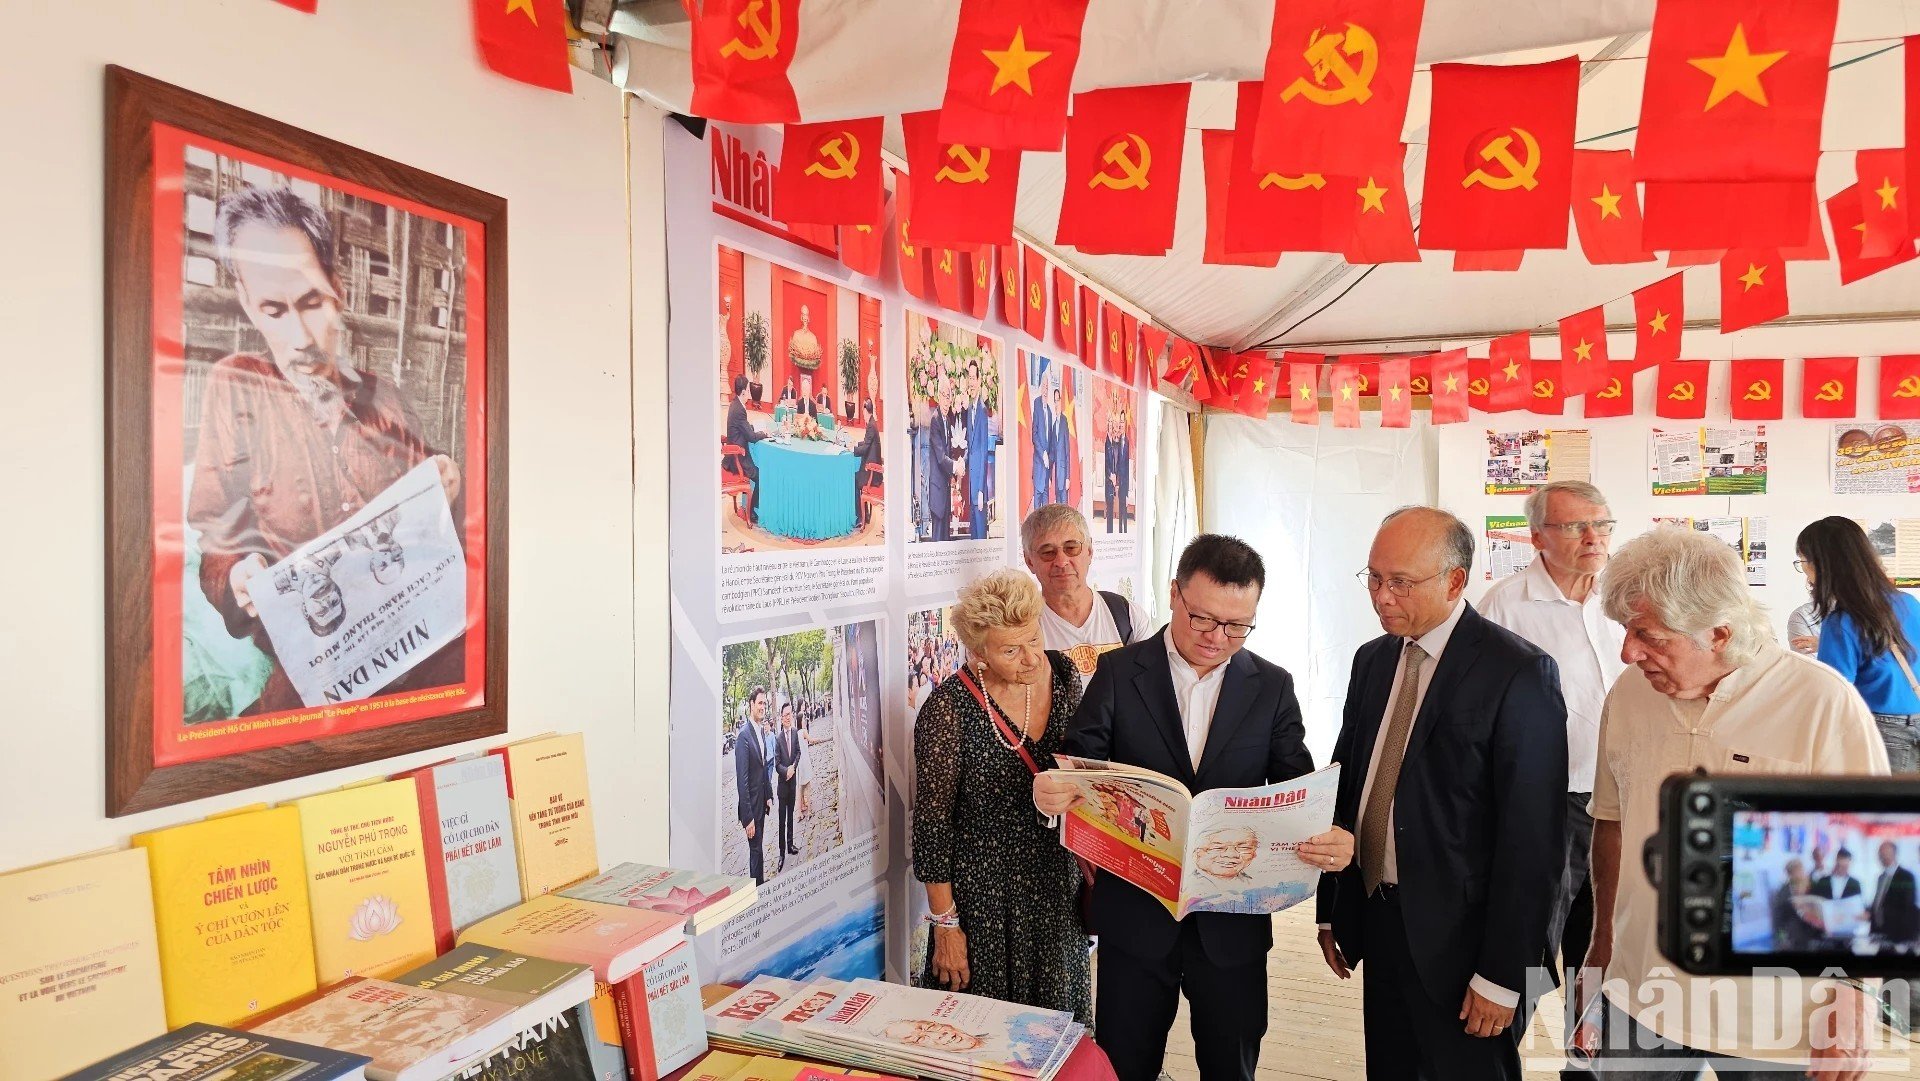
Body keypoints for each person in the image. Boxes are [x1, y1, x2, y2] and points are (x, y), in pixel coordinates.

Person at [1034, 535, 1354, 1081]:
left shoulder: (1272, 686)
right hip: (1136, 916)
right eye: (1202, 619)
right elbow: (1078, 763)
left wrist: (1331, 832)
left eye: (1237, 626)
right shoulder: (1119, 672)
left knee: (1231, 1065)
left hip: (1232, 923)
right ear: (1174, 593)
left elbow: (1296, 785)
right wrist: (1053, 792)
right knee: (1126, 1063)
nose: (1217, 638)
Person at [1581, 527, 1887, 1077]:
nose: (1629, 652)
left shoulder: (1820, 702)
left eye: (1649, 635)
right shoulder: (1628, 694)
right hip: (1642, 994)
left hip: (1777, 1012)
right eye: (1626, 630)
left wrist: (1856, 994)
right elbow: (1613, 824)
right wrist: (1599, 951)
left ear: (1719, 634)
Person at [188, 185, 463, 716]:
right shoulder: (236, 387)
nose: (299, 337)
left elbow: (442, 514)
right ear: (248, 306)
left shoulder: (385, 399)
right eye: (273, 310)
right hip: (319, 651)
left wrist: (451, 483)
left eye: (312, 303)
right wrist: (237, 577)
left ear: (338, 290)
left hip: (424, 633)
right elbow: (217, 535)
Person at [1317, 507, 1567, 1081]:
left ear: (1455, 581)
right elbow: (1348, 787)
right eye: (1374, 577)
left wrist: (1503, 975)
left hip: (1465, 943)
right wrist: (1333, 908)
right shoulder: (1374, 660)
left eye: (1401, 582)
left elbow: (1534, 842)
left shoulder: (1517, 672)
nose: (1381, 597)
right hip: (1380, 917)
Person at [1475, 480, 1625, 1066]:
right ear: (1537, 537)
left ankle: (1586, 1067)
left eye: (1602, 524)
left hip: (1621, 803)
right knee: (1532, 945)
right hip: (1547, 805)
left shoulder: (1625, 598)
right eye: (1575, 526)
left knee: (1605, 945)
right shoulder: (1504, 607)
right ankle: (1496, 1060)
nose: (1593, 537)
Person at [912, 569, 1091, 1021]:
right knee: (985, 1033)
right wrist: (946, 925)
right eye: (1010, 650)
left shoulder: (1064, 674)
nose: (1031, 658)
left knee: (1058, 1031)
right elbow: (932, 828)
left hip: (1056, 890)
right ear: (979, 653)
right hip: (984, 902)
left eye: (1033, 638)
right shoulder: (948, 709)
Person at [1797, 516, 1920, 772]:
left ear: (1822, 565)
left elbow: (1833, 691)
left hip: (1884, 731)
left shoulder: (1841, 622)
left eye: (1803, 562)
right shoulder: (1908, 602)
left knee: (1879, 799)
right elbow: (1896, 650)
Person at [1021, 505, 1151, 691]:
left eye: (1071, 548)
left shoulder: (1129, 616)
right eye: (1048, 552)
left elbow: (1150, 688)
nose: (1061, 562)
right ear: (1029, 561)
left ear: (1089, 551)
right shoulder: (1023, 628)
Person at [734, 687, 774, 885]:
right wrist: (747, 817)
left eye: (764, 703)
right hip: (751, 808)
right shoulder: (743, 736)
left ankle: (761, 884)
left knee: (758, 849)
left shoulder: (761, 731)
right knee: (755, 851)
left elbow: (763, 767)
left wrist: (769, 795)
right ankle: (756, 890)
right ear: (751, 704)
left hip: (761, 803)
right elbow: (742, 781)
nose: (763, 707)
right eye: (760, 703)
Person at [726, 374, 769, 525]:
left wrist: (752, 427)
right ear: (744, 392)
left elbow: (742, 427)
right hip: (738, 458)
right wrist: (763, 434)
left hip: (735, 452)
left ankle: (752, 507)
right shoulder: (739, 410)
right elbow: (750, 437)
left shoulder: (735, 404)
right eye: (748, 391)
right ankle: (751, 512)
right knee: (761, 476)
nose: (750, 394)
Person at [962, 361, 995, 539]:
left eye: (974, 378)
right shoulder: (970, 409)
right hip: (971, 487)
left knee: (981, 538)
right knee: (973, 538)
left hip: (979, 490)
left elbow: (982, 452)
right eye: (969, 378)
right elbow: (970, 446)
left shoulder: (982, 410)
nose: (971, 382)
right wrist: (961, 462)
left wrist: (981, 490)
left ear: (980, 380)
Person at [1870, 840, 1919, 948]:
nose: (1882, 856)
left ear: (1894, 854)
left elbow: (1908, 904)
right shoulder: (1881, 877)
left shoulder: (1906, 876)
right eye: (1880, 854)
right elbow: (1879, 901)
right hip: (1881, 931)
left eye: (1885, 853)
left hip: (1899, 933)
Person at [925, 375, 957, 542]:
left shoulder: (947, 420)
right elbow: (940, 457)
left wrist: (952, 475)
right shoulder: (935, 420)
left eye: (949, 396)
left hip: (945, 489)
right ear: (938, 397)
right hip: (937, 490)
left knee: (945, 539)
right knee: (938, 541)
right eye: (944, 396)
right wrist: (956, 467)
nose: (946, 401)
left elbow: (948, 452)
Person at [1770, 859, 1824, 951]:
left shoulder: (1812, 886)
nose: (1801, 873)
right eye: (1797, 871)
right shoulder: (1783, 892)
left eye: (1801, 870)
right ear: (1790, 874)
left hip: (1815, 933)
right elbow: (1778, 917)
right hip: (1795, 936)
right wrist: (1781, 938)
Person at [775, 701, 802, 870]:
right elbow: (777, 764)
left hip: (792, 786)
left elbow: (798, 752)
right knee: (782, 821)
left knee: (791, 816)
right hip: (783, 788)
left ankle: (790, 845)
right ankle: (781, 853)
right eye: (785, 715)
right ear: (781, 717)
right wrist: (787, 771)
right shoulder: (778, 739)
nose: (788, 717)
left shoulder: (795, 733)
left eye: (789, 714)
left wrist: (794, 767)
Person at [1029, 380, 1054, 514]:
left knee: (1046, 510)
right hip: (1039, 464)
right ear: (1040, 388)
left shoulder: (1049, 411)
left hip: (1046, 468)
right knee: (1037, 509)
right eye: (1043, 387)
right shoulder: (1037, 404)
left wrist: (1048, 459)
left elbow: (1050, 441)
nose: (1045, 390)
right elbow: (1034, 434)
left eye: (1047, 388)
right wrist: (1042, 453)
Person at [1049, 385, 1073, 506]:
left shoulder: (1064, 421)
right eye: (1055, 401)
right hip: (1056, 476)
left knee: (1065, 508)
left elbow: (1067, 451)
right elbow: (1053, 454)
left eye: (1058, 400)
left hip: (1063, 476)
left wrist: (1068, 477)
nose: (1056, 403)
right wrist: (1048, 475)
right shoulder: (1054, 426)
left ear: (1061, 402)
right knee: (1058, 508)